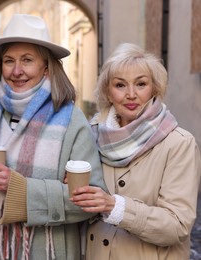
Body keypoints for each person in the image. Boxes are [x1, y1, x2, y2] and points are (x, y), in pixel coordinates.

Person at [0, 14, 106, 259]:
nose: (17, 71)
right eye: (9, 61)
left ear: (46, 66)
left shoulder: (71, 121)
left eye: (27, 60)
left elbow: (91, 200)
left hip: (48, 252)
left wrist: (21, 188)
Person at [70, 43, 201, 259]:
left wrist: (114, 206)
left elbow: (177, 225)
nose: (131, 94)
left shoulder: (179, 143)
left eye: (140, 84)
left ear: (154, 89)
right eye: (120, 85)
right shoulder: (89, 135)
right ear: (108, 92)